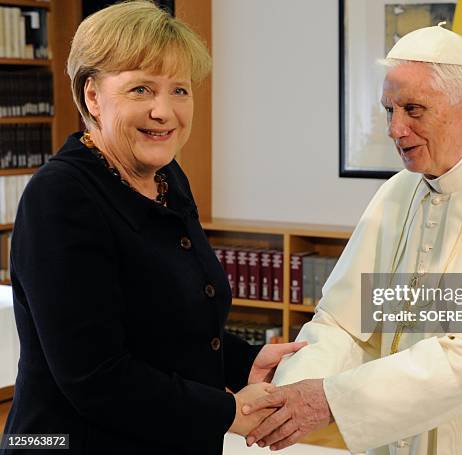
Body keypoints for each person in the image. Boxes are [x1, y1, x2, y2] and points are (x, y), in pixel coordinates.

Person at [243, 26, 462, 454]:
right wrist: (290, 394)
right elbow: (343, 323)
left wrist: (329, 400)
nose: (396, 129)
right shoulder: (398, 192)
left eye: (414, 109)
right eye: (388, 110)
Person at [1, 2, 304, 454]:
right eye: (141, 89)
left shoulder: (167, 178)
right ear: (92, 96)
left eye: (180, 90)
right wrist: (229, 412)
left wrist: (243, 361)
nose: (164, 111)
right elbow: (96, 377)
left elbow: (171, 328)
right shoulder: (60, 198)